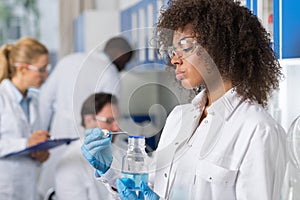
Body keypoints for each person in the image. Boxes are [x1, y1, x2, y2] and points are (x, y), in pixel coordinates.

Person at [81, 0, 287, 199]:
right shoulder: (179, 117)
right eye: (173, 51)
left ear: (219, 47)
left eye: (186, 48)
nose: (174, 59)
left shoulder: (257, 129)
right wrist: (109, 171)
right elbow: (148, 187)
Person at [38, 36, 133, 197]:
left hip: (58, 142)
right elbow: (110, 114)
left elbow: (44, 100)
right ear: (120, 56)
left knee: (52, 190)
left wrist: (42, 138)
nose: (123, 68)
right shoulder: (109, 73)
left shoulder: (68, 61)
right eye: (125, 62)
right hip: (92, 145)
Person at [0, 37, 50, 200]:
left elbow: (32, 143)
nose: (45, 75)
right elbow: (25, 142)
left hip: (29, 187)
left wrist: (39, 154)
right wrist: (26, 143)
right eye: (41, 69)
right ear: (22, 69)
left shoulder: (33, 101)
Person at [55, 92, 127, 200]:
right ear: (88, 120)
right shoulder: (70, 162)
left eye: (118, 121)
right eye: (109, 121)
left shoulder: (124, 149)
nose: (117, 128)